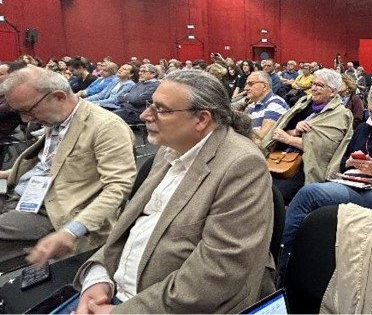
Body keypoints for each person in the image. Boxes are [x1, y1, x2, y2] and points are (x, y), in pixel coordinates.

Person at [71, 70, 275, 313]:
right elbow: (133, 227)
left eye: (162, 109)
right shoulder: (171, 148)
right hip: (118, 293)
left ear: (201, 119)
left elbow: (219, 271)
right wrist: (98, 275)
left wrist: (122, 312)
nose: (145, 115)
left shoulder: (241, 165)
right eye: (150, 105)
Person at [276, 83, 372, 284]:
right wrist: (349, 163)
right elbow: (343, 164)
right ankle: (298, 265)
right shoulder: (363, 129)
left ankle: (281, 264)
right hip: (353, 182)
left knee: (309, 194)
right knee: (312, 208)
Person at [0, 66, 136, 265]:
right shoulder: (57, 118)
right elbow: (54, 166)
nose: (24, 120)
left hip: (54, 212)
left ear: (59, 97)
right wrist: (5, 174)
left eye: (28, 111)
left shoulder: (107, 127)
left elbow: (118, 188)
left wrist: (71, 230)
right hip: (23, 195)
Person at [262, 69, 353, 204]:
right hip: (278, 158)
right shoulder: (304, 103)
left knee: (273, 196)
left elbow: (323, 150)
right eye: (313, 84)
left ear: (333, 91)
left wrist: (289, 139)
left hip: (305, 168)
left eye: (320, 85)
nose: (314, 88)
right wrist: (294, 132)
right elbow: (278, 132)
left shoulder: (341, 115)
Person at [243, 70, 289, 142]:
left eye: (250, 84)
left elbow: (262, 137)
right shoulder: (251, 106)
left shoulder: (276, 103)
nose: (245, 88)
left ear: (264, 86)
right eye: (246, 84)